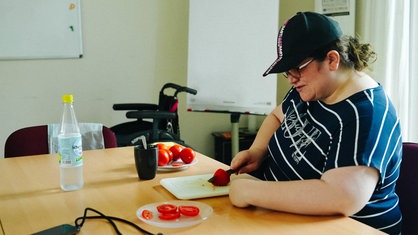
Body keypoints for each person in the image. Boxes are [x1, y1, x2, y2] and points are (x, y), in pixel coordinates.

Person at [229, 12, 402, 234]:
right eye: (287, 71)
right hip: (279, 217)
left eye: (297, 68)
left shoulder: (366, 114)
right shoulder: (314, 88)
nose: (292, 78)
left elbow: (342, 197)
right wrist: (258, 150)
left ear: (332, 59)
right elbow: (277, 116)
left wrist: (252, 192)